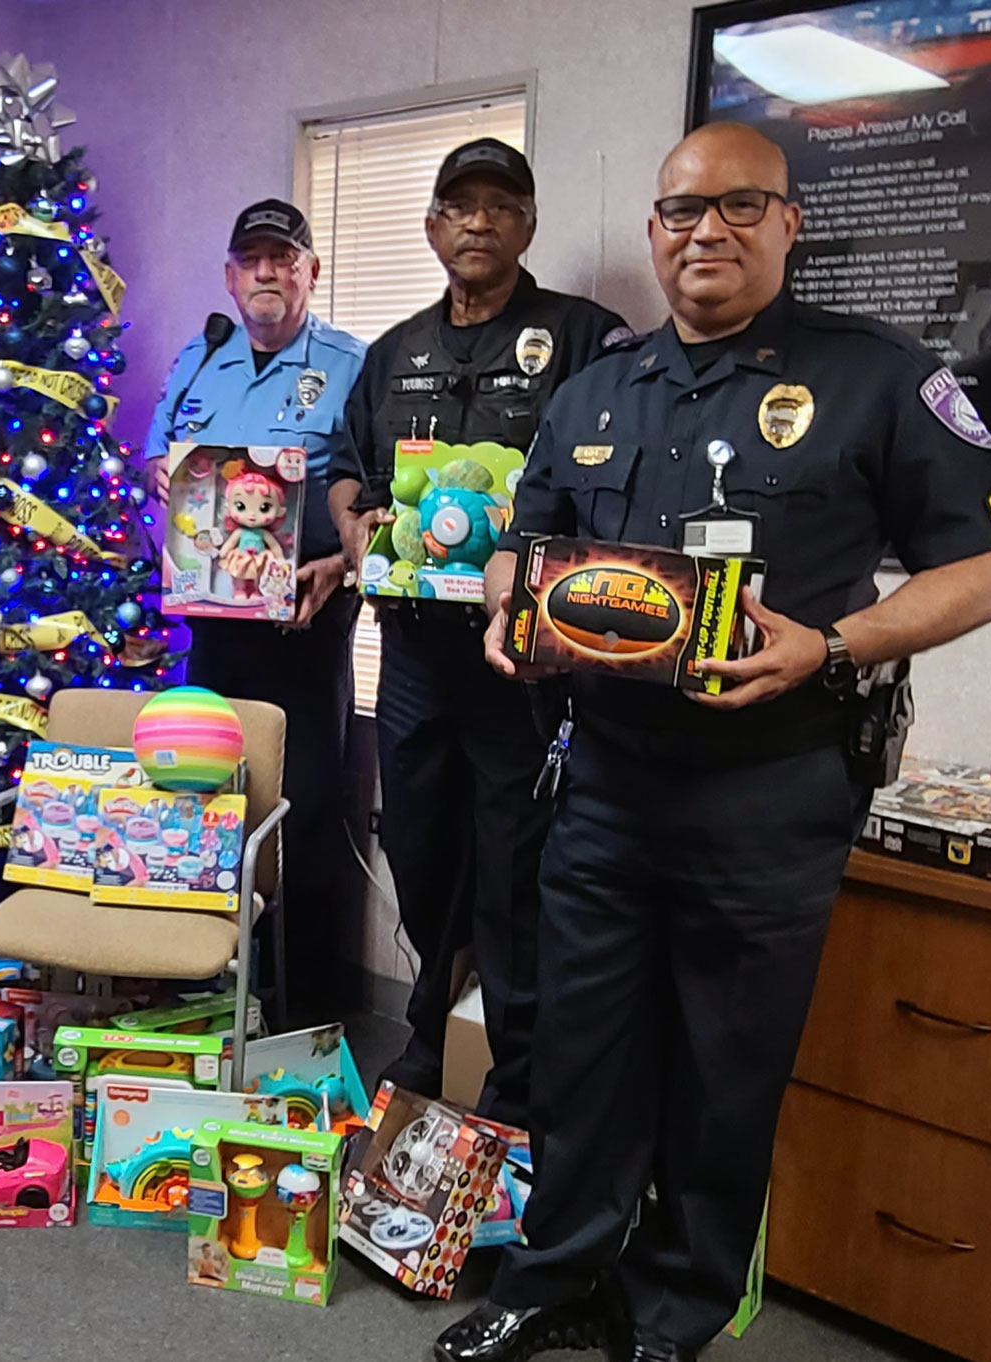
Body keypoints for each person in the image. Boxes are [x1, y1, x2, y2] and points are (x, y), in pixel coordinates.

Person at [436, 123, 991, 1362]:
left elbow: (984, 574)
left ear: (788, 223)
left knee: (723, 1066)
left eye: (737, 207)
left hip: (771, 795)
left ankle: (673, 1308)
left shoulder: (878, 377)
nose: (703, 231)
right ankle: (559, 1276)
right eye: (678, 213)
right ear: (652, 232)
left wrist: (835, 644)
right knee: (581, 1049)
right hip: (602, 784)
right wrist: (503, 599)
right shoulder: (597, 387)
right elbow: (519, 540)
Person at [327, 139, 630, 1131]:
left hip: (522, 664)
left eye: (502, 206)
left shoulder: (584, 340)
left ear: (527, 227)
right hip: (414, 650)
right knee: (416, 847)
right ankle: (427, 1030)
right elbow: (343, 468)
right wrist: (354, 525)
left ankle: (511, 1072)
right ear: (432, 228)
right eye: (460, 206)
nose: (479, 223)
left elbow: (619, 482)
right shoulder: (393, 354)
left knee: (512, 870)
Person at [144, 199, 368, 1028]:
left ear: (313, 270)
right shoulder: (199, 361)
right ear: (232, 276)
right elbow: (156, 463)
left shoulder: (352, 363)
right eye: (253, 259)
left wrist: (342, 566)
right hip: (213, 631)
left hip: (305, 630)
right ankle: (210, 1001)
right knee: (208, 807)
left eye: (286, 257)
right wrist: (162, 489)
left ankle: (304, 1016)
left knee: (303, 817)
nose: (268, 273)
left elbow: (370, 503)